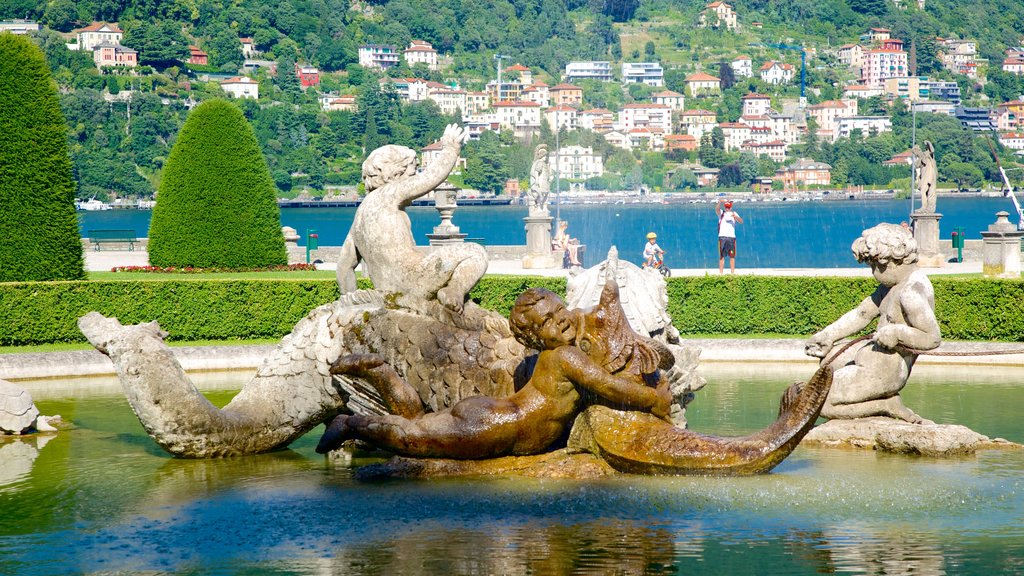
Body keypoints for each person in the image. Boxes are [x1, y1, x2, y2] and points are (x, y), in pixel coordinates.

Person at [316, 287, 672, 459]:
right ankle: (352, 425)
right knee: (415, 440)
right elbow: (610, 387)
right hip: (495, 426)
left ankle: (381, 372)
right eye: (547, 321)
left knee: (420, 423)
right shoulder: (565, 358)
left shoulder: (558, 355)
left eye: (560, 310)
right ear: (534, 338)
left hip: (494, 416)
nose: (560, 319)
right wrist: (654, 399)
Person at [336, 124, 486, 314]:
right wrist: (450, 148)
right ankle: (454, 291)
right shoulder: (389, 192)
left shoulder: (360, 216)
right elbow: (431, 178)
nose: (414, 177)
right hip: (415, 279)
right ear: (395, 173)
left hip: (386, 292)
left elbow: (343, 268)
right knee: (475, 252)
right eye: (412, 171)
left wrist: (351, 304)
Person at [805, 223, 941, 423]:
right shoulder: (891, 286)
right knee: (828, 360)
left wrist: (897, 333)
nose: (873, 273)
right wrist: (828, 335)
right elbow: (862, 314)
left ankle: (885, 405)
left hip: (887, 370)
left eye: (874, 266)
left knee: (818, 401)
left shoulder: (911, 291)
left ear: (891, 261)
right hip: (872, 355)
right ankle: (879, 402)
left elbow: (932, 338)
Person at [715, 199, 744, 274]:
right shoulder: (722, 213)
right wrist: (720, 202)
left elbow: (741, 221)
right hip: (722, 237)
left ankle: (732, 273)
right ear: (725, 207)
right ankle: (721, 273)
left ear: (730, 208)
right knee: (721, 256)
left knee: (732, 256)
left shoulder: (734, 213)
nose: (727, 208)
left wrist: (735, 217)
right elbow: (717, 209)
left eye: (728, 207)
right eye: (726, 207)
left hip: (731, 237)